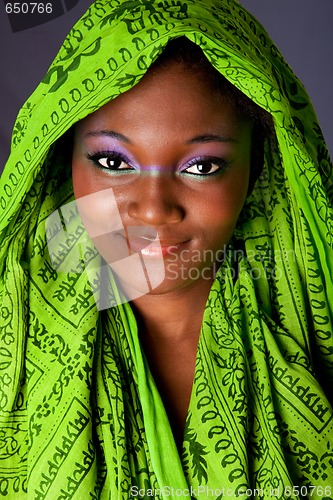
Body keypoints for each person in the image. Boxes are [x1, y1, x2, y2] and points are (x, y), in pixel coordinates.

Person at [0, 0, 332, 497]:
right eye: (113, 161)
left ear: (259, 166)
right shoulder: (12, 333)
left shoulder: (316, 321)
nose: (153, 211)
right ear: (61, 162)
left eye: (201, 166)